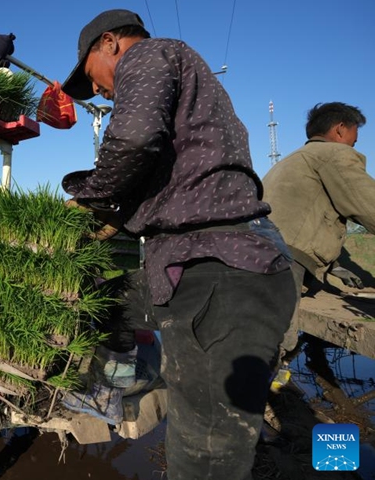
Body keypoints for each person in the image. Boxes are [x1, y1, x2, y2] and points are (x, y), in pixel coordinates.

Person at [59, 9, 295, 480]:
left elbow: (133, 140)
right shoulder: (185, 82)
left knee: (204, 447)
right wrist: (115, 220)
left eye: (94, 79)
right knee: (208, 426)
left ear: (111, 44)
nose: (102, 92)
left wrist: (91, 200)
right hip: (210, 263)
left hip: (220, 267)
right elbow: (160, 177)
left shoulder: (148, 55)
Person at [262, 102, 375, 359]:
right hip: (285, 260)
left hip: (260, 254)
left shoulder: (290, 161)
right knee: (273, 343)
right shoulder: (333, 155)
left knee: (257, 340)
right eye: (354, 139)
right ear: (339, 130)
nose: (354, 144)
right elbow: (369, 206)